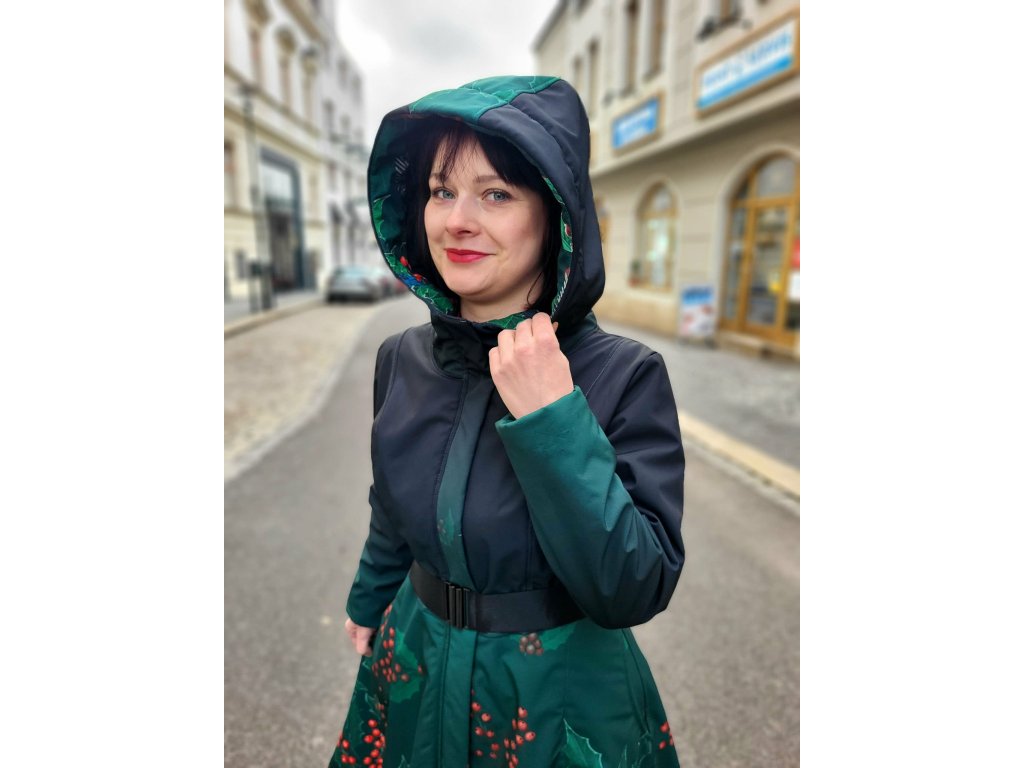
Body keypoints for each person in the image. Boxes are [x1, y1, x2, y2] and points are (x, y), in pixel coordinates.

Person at [328, 75, 685, 768]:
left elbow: (634, 585)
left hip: (554, 702)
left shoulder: (623, 375)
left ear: (555, 214)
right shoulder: (401, 359)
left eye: (495, 194)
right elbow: (392, 508)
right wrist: (368, 601)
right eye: (441, 191)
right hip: (416, 663)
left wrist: (554, 418)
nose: (457, 221)